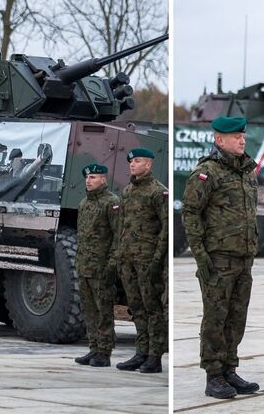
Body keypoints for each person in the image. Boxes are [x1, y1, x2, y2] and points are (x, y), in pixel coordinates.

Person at [182, 116, 259, 399]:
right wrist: (201, 257)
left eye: (243, 136)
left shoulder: (247, 172)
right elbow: (190, 213)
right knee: (215, 317)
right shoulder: (207, 173)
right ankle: (213, 374)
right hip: (218, 260)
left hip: (243, 258)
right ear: (219, 140)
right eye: (236, 136)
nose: (242, 140)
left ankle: (229, 368)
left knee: (236, 318)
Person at [116, 147, 168, 374]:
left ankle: (155, 356)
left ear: (148, 165)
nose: (132, 164)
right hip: (128, 259)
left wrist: (158, 258)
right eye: (131, 161)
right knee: (136, 307)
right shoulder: (127, 192)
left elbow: (166, 227)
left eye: (137, 161)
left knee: (152, 308)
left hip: (148, 260)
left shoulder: (158, 192)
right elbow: (122, 226)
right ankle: (141, 351)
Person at [74, 164, 120, 367]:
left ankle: (104, 351)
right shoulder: (84, 204)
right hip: (84, 267)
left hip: (102, 269)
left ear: (103, 179)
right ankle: (93, 348)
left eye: (93, 177)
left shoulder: (112, 203)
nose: (88, 180)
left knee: (104, 311)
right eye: (87, 177)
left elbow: (118, 237)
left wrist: (111, 266)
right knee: (89, 310)